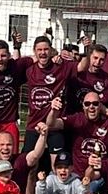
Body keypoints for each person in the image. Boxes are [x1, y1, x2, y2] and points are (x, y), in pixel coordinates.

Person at [21, 35, 79, 166]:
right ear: (34, 51)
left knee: (58, 166)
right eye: (39, 50)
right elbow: (11, 63)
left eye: (46, 49)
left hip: (54, 125)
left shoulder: (60, 66)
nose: (43, 52)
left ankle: (56, 186)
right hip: (34, 124)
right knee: (29, 164)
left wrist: (84, 50)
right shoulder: (29, 68)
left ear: (51, 50)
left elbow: (81, 66)